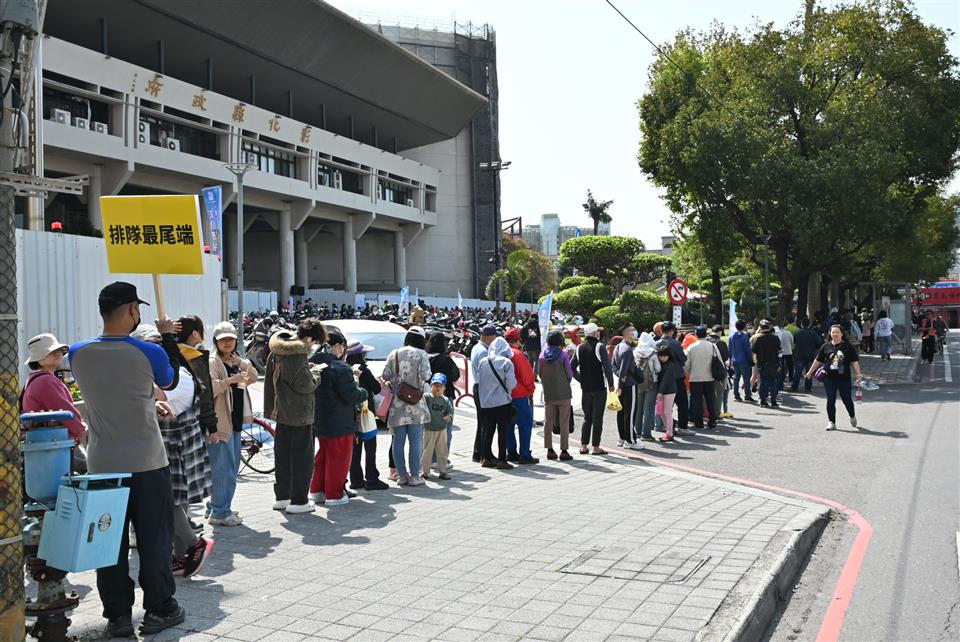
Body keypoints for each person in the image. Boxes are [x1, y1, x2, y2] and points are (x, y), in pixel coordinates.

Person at [69, 282, 185, 636]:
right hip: (147, 461)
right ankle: (159, 609)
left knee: (107, 545)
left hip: (102, 463)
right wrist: (166, 338)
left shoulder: (77, 352)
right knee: (154, 539)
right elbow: (172, 379)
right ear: (134, 310)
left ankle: (118, 618)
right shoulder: (147, 352)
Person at [141, 322, 215, 580]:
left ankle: (193, 546)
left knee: (168, 501)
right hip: (174, 447)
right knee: (174, 502)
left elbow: (154, 395)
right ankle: (181, 556)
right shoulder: (175, 372)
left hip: (173, 448)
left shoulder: (176, 378)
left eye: (154, 349)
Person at [307, 328, 368, 506]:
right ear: (336, 346)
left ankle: (317, 490)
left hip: (320, 419)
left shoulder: (312, 365)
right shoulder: (341, 368)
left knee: (324, 456)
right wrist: (363, 392)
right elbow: (351, 395)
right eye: (342, 346)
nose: (343, 350)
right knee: (339, 458)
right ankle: (334, 494)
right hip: (340, 421)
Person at [263, 325, 320, 514]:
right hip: (300, 414)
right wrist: (316, 373)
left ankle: (282, 497)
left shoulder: (276, 350)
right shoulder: (297, 354)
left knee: (283, 457)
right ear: (310, 339)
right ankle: (299, 501)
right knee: (302, 459)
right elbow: (305, 385)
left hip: (280, 411)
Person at [207, 321, 258, 526]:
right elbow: (209, 388)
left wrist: (241, 364)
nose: (227, 343)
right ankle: (220, 512)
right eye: (223, 340)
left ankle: (216, 506)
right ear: (216, 342)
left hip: (234, 421)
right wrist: (230, 380)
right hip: (221, 423)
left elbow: (253, 377)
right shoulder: (213, 362)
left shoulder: (235, 360)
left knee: (228, 467)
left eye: (231, 339)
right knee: (223, 469)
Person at [21, 333, 88, 471]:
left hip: (46, 445)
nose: (57, 353)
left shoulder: (34, 379)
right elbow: (65, 410)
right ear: (37, 358)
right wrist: (81, 429)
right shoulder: (46, 381)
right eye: (50, 351)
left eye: (58, 350)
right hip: (58, 445)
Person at [381, 326, 432, 485]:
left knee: (398, 441)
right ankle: (415, 476)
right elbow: (426, 375)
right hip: (415, 403)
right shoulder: (421, 354)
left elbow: (385, 375)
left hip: (397, 404)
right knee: (416, 441)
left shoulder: (394, 353)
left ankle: (402, 476)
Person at [346, 340, 389, 491]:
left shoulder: (345, 369)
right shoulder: (365, 371)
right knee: (370, 448)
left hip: (351, 415)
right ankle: (372, 479)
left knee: (355, 449)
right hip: (366, 415)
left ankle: (356, 480)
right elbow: (377, 389)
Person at [806, 325, 863, 431]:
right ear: (830, 334)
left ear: (842, 334)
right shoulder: (826, 346)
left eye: (837, 332)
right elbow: (818, 360)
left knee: (847, 399)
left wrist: (858, 374)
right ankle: (831, 422)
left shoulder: (847, 346)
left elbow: (854, 361)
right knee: (830, 400)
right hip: (829, 378)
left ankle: (852, 416)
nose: (835, 334)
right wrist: (810, 372)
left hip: (844, 378)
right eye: (833, 332)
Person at [571, 323, 615, 455]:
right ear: (595, 333)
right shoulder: (600, 347)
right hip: (599, 388)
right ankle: (596, 447)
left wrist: (580, 379)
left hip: (585, 388)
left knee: (587, 417)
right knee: (597, 418)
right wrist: (611, 385)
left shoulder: (579, 348)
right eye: (597, 332)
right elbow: (607, 367)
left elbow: (571, 367)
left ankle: (583, 446)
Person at [474, 336, 517, 469]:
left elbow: (480, 380)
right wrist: (507, 392)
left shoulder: (482, 361)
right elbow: (512, 383)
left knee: (488, 429)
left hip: (486, 402)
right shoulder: (506, 363)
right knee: (502, 430)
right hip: (502, 401)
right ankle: (502, 460)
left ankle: (486, 458)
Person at [504, 327, 538, 464]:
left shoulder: (500, 353)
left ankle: (511, 452)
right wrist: (531, 391)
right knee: (524, 425)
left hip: (504, 395)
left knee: (508, 425)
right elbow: (527, 377)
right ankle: (525, 454)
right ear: (519, 340)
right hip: (520, 394)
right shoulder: (517, 355)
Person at [539, 330, 574, 461]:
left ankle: (549, 449)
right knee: (564, 422)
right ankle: (564, 450)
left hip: (549, 393)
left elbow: (539, 373)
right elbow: (569, 374)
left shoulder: (542, 355)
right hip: (564, 393)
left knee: (548, 421)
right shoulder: (563, 355)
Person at [426, 332, 460, 457]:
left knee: (429, 428)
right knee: (445, 428)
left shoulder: (425, 358)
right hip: (446, 396)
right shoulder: (446, 360)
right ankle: (441, 458)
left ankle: (429, 458)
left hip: (428, 396)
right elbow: (455, 376)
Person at [470, 325, 499, 462]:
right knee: (486, 423)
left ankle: (478, 452)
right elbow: (485, 374)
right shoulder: (483, 351)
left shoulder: (477, 347)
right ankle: (484, 454)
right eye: (494, 336)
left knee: (482, 422)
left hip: (479, 387)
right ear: (489, 336)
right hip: (483, 388)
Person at [613, 324, 644, 450]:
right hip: (629, 385)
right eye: (632, 330)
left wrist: (619, 382)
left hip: (622, 384)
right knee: (630, 413)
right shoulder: (627, 350)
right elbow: (624, 370)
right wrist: (621, 383)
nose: (634, 332)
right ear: (627, 333)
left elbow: (614, 366)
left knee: (621, 412)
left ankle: (622, 437)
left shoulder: (618, 347)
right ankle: (630, 440)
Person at [684, 326, 720, 431]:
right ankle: (712, 421)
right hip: (710, 377)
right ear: (706, 334)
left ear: (696, 334)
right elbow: (719, 361)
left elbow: (686, 365)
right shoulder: (712, 346)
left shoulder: (691, 347)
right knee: (710, 400)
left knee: (697, 401)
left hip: (695, 378)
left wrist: (689, 373)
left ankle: (698, 423)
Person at [422, 373, 454, 480]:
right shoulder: (427, 397)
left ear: (444, 388)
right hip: (429, 429)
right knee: (427, 451)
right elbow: (421, 399)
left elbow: (450, 411)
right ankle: (425, 471)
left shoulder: (445, 400)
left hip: (442, 429)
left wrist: (449, 417)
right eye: (435, 385)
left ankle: (443, 471)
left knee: (442, 451)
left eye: (440, 386)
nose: (437, 388)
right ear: (430, 386)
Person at [659, 322, 690, 432]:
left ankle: (664, 425)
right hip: (676, 376)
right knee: (682, 403)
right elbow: (683, 359)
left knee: (664, 405)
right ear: (672, 331)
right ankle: (682, 427)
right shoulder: (675, 344)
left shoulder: (656, 343)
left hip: (661, 377)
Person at [633, 332, 660, 441]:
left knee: (639, 407)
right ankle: (646, 434)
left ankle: (637, 431)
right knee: (648, 408)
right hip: (651, 382)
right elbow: (658, 368)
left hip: (638, 382)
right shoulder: (653, 352)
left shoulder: (635, 351)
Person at [752, 320, 782, 408]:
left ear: (760, 328)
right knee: (773, 382)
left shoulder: (759, 338)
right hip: (773, 362)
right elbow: (779, 350)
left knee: (763, 382)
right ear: (769, 327)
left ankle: (763, 401)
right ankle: (773, 401)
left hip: (762, 363)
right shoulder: (775, 338)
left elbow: (754, 351)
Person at [706, 326, 732, 420]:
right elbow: (725, 357)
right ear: (720, 332)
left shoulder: (705, 340)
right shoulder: (721, 343)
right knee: (719, 393)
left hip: (705, 370)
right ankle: (716, 412)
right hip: (718, 371)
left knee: (706, 393)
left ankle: (706, 412)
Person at [655, 344, 678, 442]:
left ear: (669, 355)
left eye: (665, 355)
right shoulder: (662, 364)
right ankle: (668, 431)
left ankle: (669, 433)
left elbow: (665, 379)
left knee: (666, 412)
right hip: (664, 391)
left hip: (669, 391)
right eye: (661, 355)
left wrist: (660, 392)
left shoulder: (670, 365)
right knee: (662, 413)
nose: (662, 358)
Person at [791, 318, 821, 393]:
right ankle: (807, 388)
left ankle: (794, 387)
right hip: (810, 355)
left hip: (799, 354)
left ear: (801, 324)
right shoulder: (813, 333)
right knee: (809, 372)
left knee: (797, 372)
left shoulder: (797, 332)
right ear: (809, 324)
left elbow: (794, 341)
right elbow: (819, 342)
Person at [729, 320, 754, 402]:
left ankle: (736, 395)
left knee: (736, 378)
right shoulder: (744, 337)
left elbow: (730, 350)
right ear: (744, 327)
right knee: (746, 378)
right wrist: (751, 360)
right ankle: (747, 395)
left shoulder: (731, 337)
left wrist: (730, 360)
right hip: (744, 360)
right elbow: (747, 350)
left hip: (734, 359)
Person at [777, 322, 794, 391]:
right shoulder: (788, 333)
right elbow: (792, 341)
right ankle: (791, 377)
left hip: (780, 352)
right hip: (788, 351)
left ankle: (782, 377)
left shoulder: (777, 334)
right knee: (790, 365)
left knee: (781, 366)